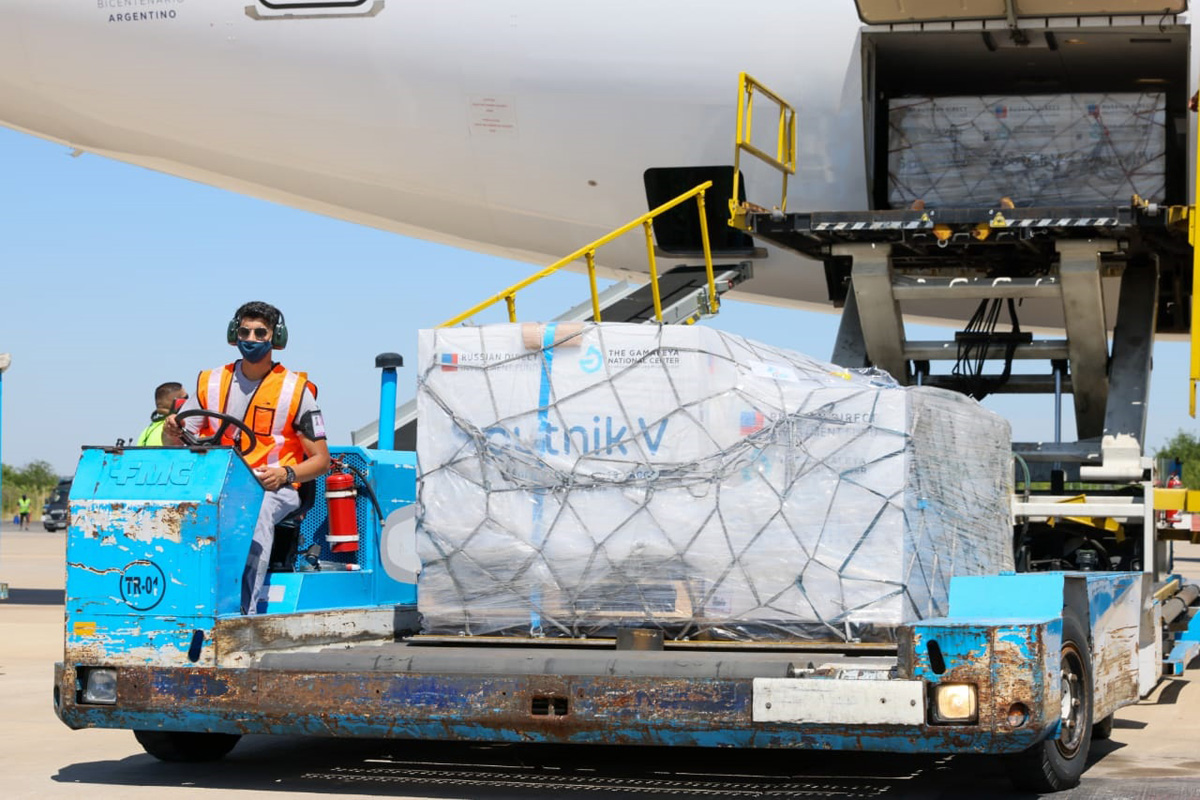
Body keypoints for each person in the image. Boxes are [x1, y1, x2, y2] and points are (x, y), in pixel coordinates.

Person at [163, 301, 330, 615]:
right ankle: (178, 604)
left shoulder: (296, 391)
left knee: (253, 514)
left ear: (275, 338)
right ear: (233, 334)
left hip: (273, 489)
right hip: (218, 482)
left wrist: (286, 474)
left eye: (259, 332)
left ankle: (241, 613)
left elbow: (320, 460)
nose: (250, 338)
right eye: (244, 331)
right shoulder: (210, 382)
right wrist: (171, 432)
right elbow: (177, 440)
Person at [136, 382, 188, 446]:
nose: (188, 401)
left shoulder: (146, 432)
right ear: (179, 403)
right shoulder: (174, 429)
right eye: (186, 397)